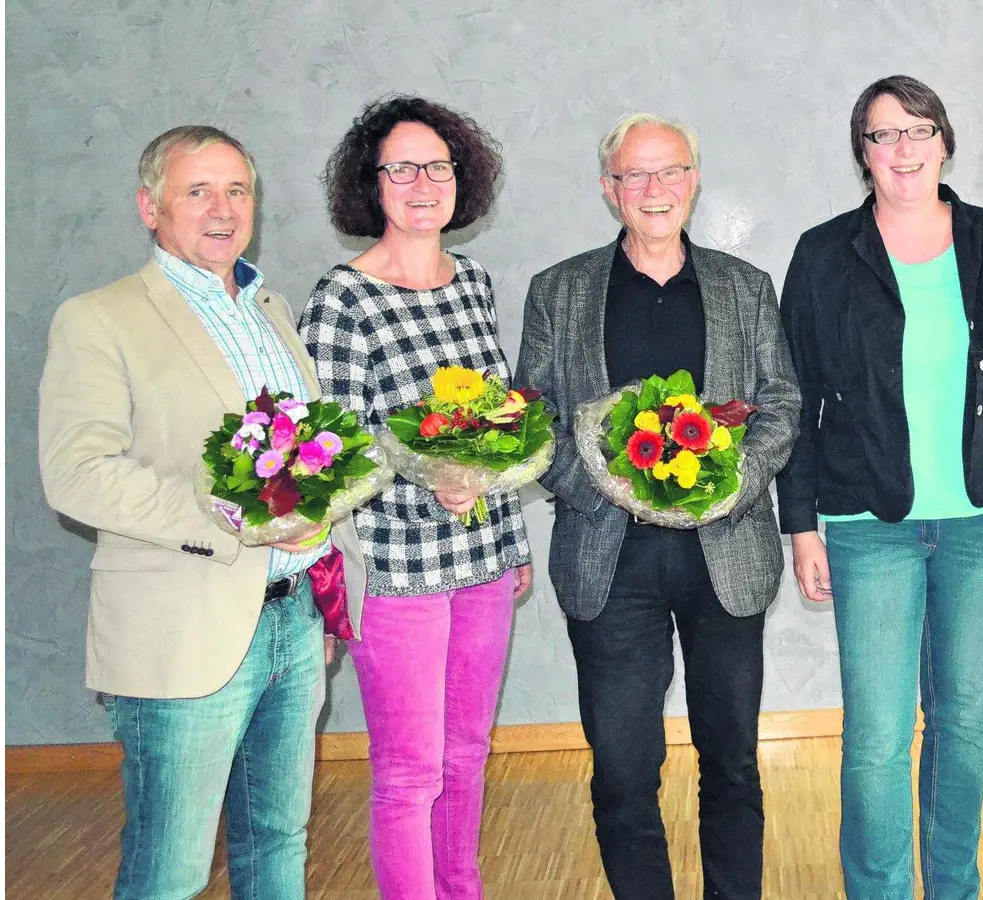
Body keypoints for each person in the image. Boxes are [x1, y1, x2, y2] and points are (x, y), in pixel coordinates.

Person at [39, 124, 359, 899]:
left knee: (277, 845)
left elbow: (310, 463)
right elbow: (77, 475)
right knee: (169, 874)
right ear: (150, 208)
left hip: (292, 622)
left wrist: (325, 577)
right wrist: (232, 516)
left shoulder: (270, 310)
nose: (223, 209)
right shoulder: (99, 318)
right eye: (198, 191)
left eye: (237, 190)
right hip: (179, 632)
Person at [775, 75, 983, 899]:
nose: (903, 148)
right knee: (877, 736)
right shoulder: (824, 253)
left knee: (962, 721)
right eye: (882, 134)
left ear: (944, 141)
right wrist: (801, 525)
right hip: (868, 523)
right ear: (862, 153)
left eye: (918, 129)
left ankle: (954, 886)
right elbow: (794, 397)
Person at [515, 112, 800, 900]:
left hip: (724, 554)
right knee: (622, 769)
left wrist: (734, 484)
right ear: (609, 189)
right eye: (634, 174)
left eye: (669, 170)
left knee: (732, 760)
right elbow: (533, 418)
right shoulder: (560, 290)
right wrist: (604, 485)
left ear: (693, 181)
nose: (654, 188)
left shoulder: (745, 287)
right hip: (610, 560)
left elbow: (780, 403)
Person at [299, 96, 531, 899]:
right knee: (409, 773)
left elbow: (498, 424)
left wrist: (513, 542)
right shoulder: (342, 300)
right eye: (401, 168)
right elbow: (329, 452)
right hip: (397, 572)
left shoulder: (473, 283)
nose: (423, 183)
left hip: (485, 560)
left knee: (468, 756)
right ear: (371, 184)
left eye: (438, 166)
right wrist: (429, 477)